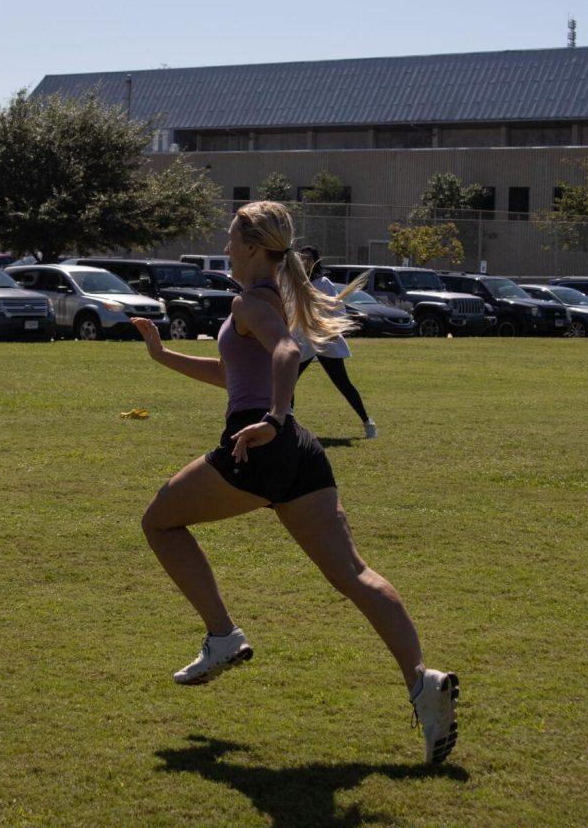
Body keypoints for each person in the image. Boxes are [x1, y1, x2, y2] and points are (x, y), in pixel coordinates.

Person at [131, 201, 458, 766]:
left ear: (254, 247)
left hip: (258, 443)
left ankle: (223, 637)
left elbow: (284, 353)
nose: (225, 244)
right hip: (297, 451)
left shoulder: (250, 302)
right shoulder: (267, 301)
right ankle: (423, 682)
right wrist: (163, 357)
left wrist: (273, 419)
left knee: (158, 521)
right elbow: (231, 374)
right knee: (353, 574)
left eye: (232, 237)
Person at [294, 245, 378, 439]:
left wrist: (333, 330)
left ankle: (367, 422)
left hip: (325, 340)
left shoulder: (323, 283)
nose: (304, 260)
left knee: (342, 383)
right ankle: (287, 426)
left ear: (315, 261)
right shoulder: (297, 282)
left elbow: (337, 308)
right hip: (304, 340)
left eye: (308, 257)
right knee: (288, 383)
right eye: (302, 257)